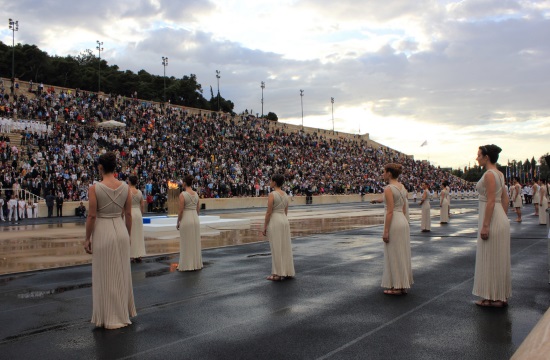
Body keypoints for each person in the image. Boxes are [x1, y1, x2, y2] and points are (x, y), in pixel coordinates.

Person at [84, 152, 136, 329]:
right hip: (120, 229)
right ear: (115, 167)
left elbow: (91, 216)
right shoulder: (125, 187)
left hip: (103, 230)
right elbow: (128, 214)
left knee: (104, 273)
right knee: (121, 272)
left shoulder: (94, 188)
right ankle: (122, 312)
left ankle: (107, 316)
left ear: (100, 167)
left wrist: (87, 238)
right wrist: (128, 235)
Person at [473, 144, 511, 307]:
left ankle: (490, 296)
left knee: (489, 258)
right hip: (500, 217)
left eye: (479, 155)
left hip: (492, 217)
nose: (477, 158)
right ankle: (498, 296)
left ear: (486, 157)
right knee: (498, 258)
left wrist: (487, 224)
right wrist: (501, 216)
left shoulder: (489, 174)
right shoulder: (500, 174)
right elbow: (505, 199)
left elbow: (490, 201)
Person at [381, 163, 413, 295]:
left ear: (389, 173)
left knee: (394, 253)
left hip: (394, 221)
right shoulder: (402, 187)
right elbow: (404, 208)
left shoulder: (389, 188)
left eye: (384, 172)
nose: (382, 174)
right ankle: (402, 284)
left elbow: (390, 212)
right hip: (403, 220)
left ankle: (397, 286)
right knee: (402, 252)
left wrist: (386, 230)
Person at [263, 173, 295, 281]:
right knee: (285, 246)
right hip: (284, 220)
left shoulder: (272, 194)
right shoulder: (285, 194)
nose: (270, 182)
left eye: (271, 180)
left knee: (276, 247)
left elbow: (269, 212)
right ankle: (287, 271)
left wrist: (265, 226)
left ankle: (277, 273)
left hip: (275, 219)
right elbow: (286, 210)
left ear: (275, 182)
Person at [176, 174, 203, 271]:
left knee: (186, 241)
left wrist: (178, 221)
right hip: (195, 218)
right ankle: (196, 263)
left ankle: (187, 264)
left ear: (184, 183)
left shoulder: (182, 195)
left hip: (186, 218)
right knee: (194, 241)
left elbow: (181, 210)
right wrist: (196, 217)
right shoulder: (196, 194)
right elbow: (198, 208)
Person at [129, 175, 146, 262]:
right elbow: (142, 204)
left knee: (131, 233)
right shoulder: (139, 192)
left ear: (129, 182)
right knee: (138, 234)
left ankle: (132, 254)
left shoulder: (127, 191)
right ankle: (139, 255)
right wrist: (141, 213)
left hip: (130, 212)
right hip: (137, 213)